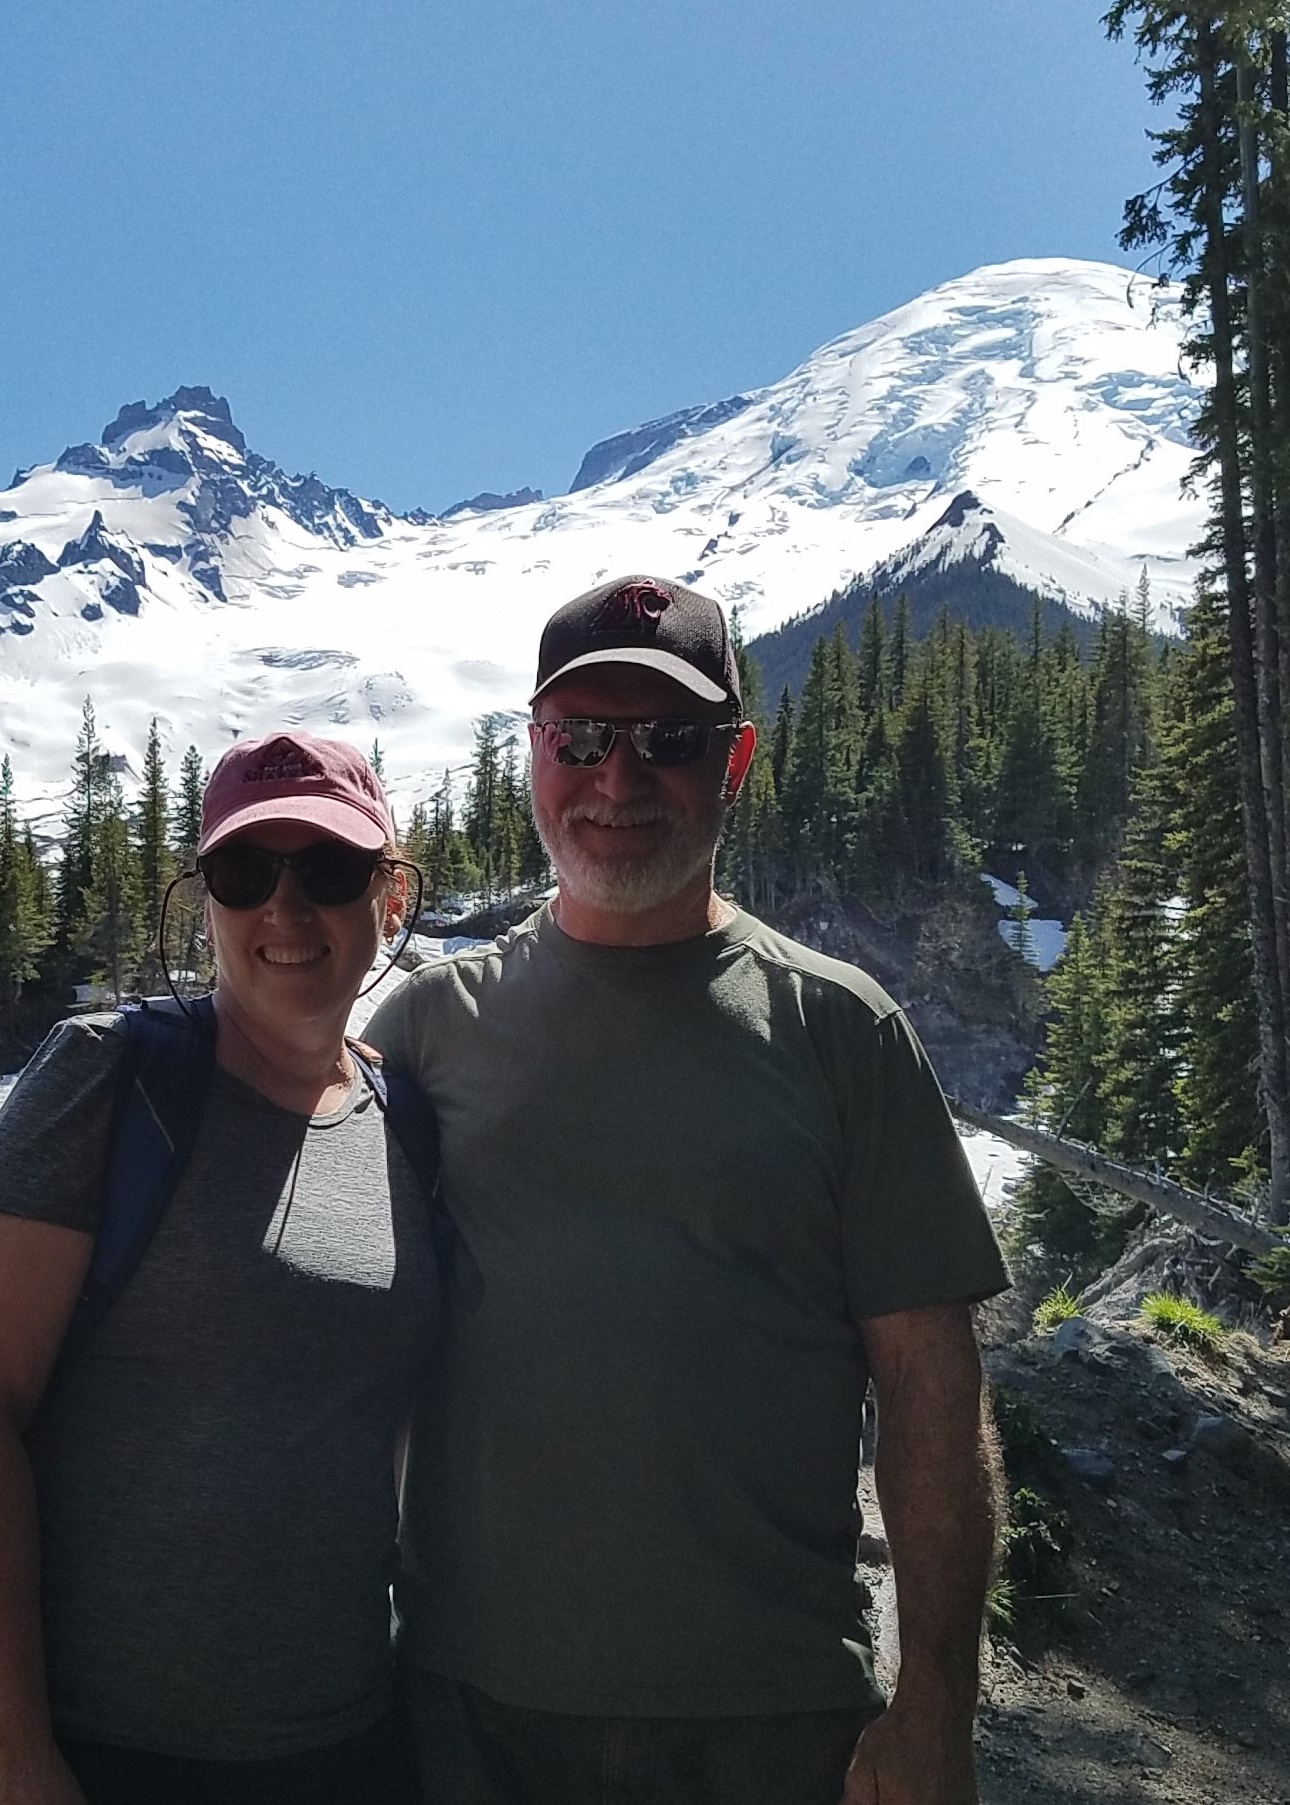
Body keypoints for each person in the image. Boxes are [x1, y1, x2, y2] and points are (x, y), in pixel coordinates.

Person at [368, 575, 1010, 1805]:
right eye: (583, 740)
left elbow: (930, 1384)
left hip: (769, 1724)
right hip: (466, 1713)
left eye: (669, 740)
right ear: (534, 751)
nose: (619, 779)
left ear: (736, 758)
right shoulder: (424, 1030)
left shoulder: (840, 1031)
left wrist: (935, 1702)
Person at [0, 731, 438, 1805]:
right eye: (245, 872)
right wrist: (9, 1754)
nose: (284, 909)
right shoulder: (112, 1075)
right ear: (203, 899)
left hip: (324, 1743)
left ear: (388, 894)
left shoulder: (406, 1117)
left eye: (327, 870)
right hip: (75, 1750)